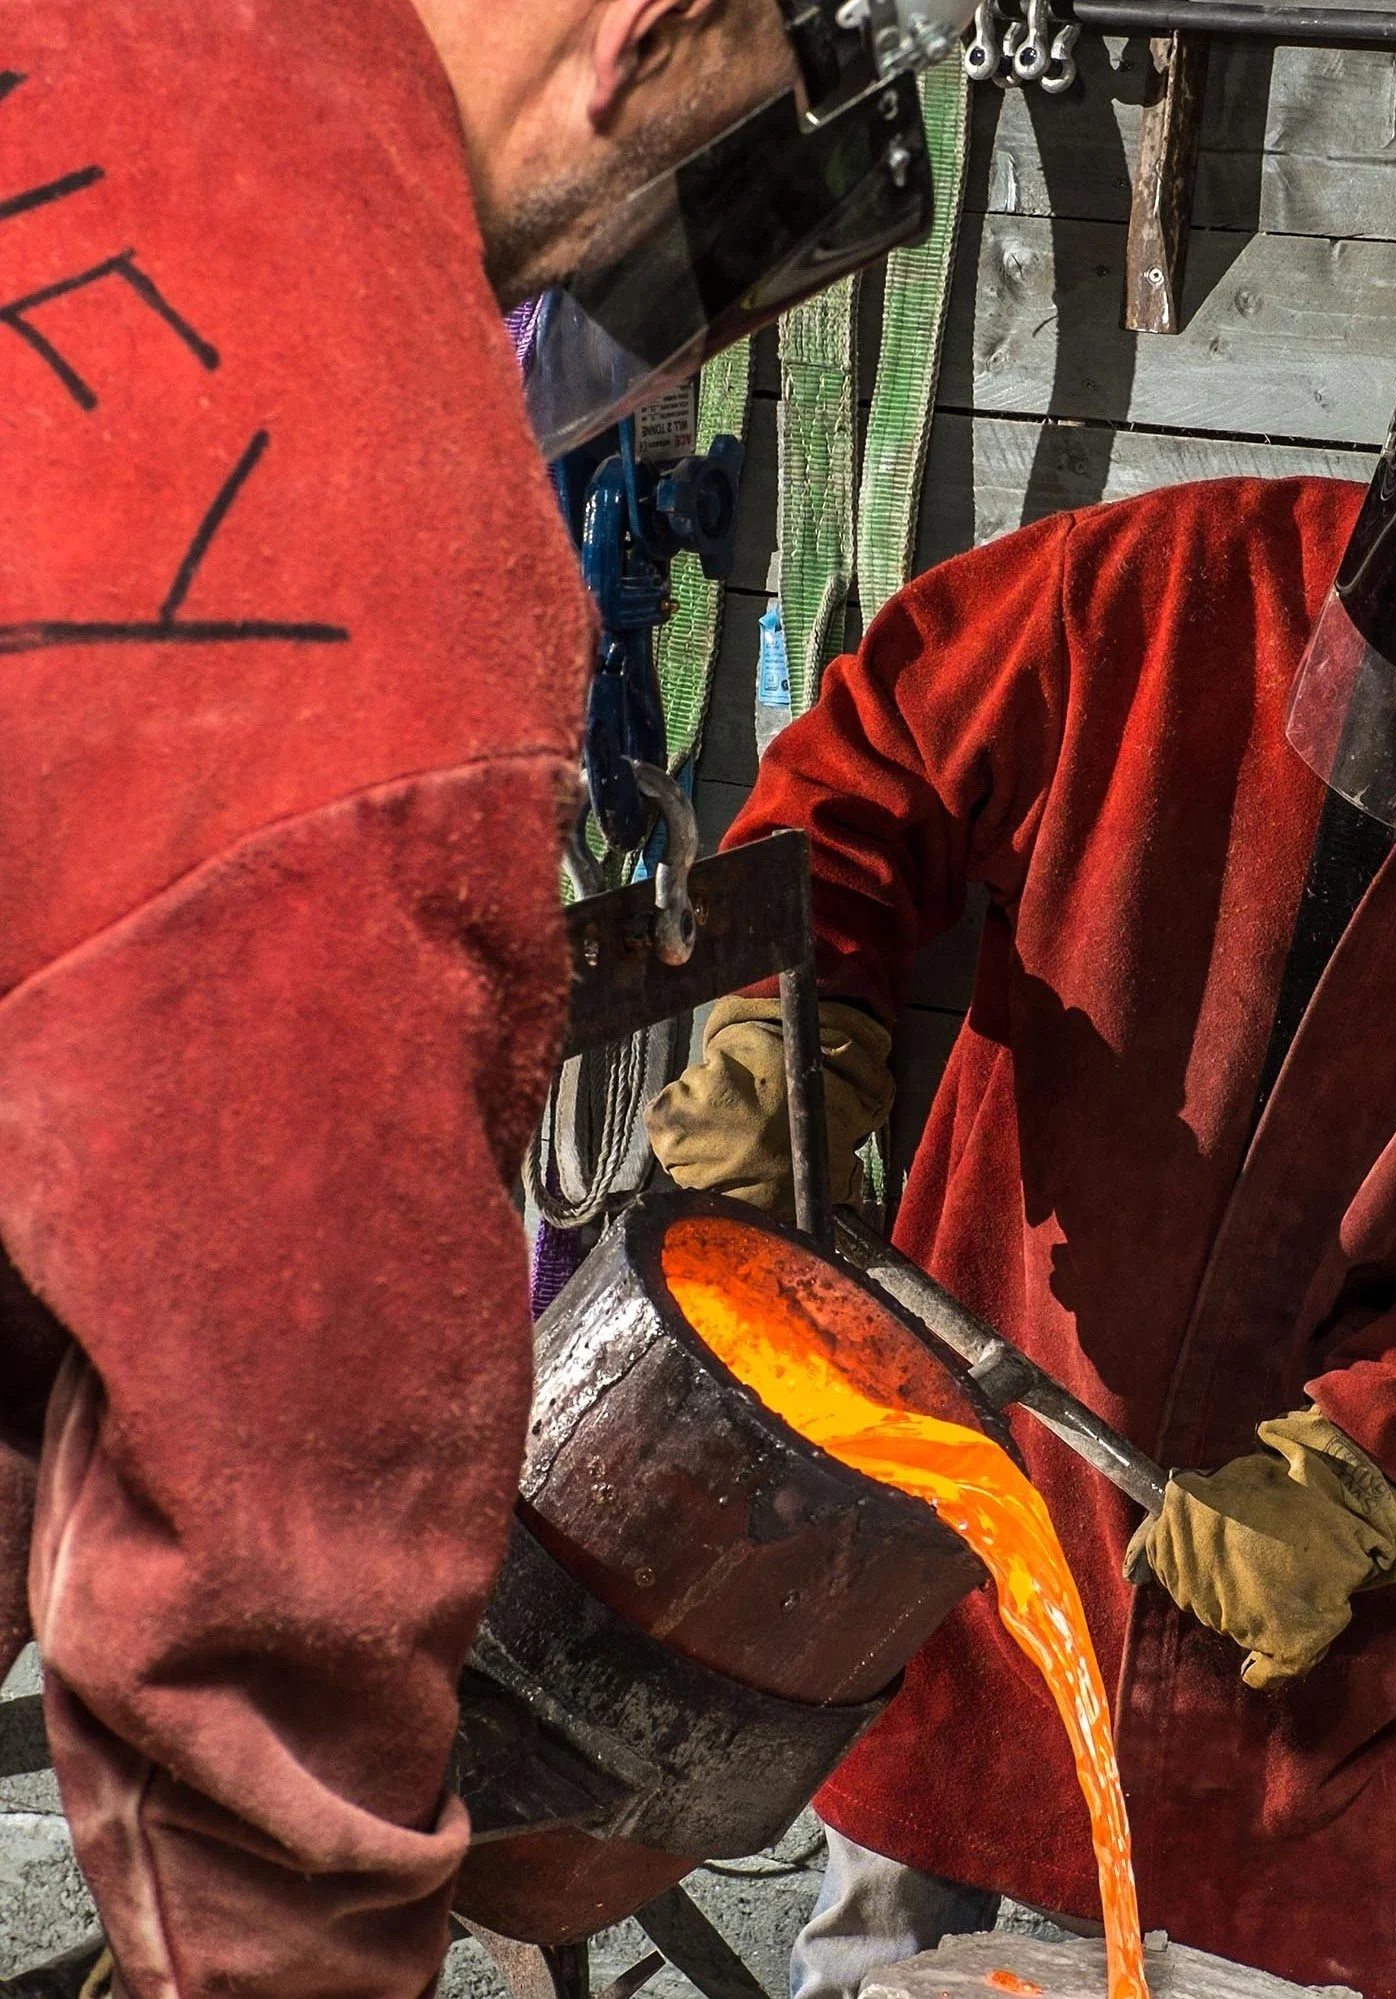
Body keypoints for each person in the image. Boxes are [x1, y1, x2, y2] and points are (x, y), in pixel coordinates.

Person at [648, 247, 1396, 1999]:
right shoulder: (1155, 593)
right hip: (995, 1507)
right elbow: (852, 784)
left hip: (1345, 1684)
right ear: (1394, 477)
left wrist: (1364, 1470)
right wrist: (781, 1031)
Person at [0, 0, 960, 1991]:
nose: (659, 285)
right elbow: (284, 1558)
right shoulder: (377, 539)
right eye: (720, 158)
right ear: (649, 29)